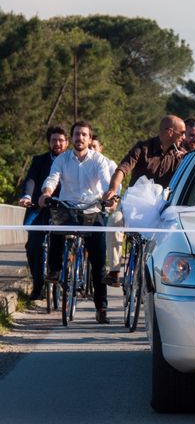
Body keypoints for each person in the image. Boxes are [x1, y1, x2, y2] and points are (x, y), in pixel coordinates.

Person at [38, 121, 113, 323]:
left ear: (89, 139)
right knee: (55, 228)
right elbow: (52, 179)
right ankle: (55, 270)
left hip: (92, 209)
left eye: (84, 135)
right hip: (68, 208)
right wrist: (46, 194)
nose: (80, 138)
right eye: (77, 134)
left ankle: (101, 307)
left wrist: (109, 197)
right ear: (71, 138)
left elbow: (106, 183)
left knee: (98, 261)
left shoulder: (99, 160)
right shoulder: (62, 159)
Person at [101, 115, 186, 285]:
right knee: (115, 220)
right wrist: (112, 189)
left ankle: (163, 275)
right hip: (134, 205)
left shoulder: (180, 157)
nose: (184, 137)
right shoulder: (143, 148)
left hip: (160, 208)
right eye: (182, 133)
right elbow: (122, 170)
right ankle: (115, 271)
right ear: (170, 132)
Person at [18, 125, 68, 301]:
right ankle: (38, 285)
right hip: (41, 207)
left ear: (67, 142)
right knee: (34, 245)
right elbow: (31, 179)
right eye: (54, 140)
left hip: (63, 209)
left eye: (61, 140)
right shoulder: (39, 161)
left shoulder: (71, 160)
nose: (57, 143)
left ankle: (67, 276)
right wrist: (27, 195)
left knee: (64, 240)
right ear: (49, 142)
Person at [90, 135, 123, 287]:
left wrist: (112, 202)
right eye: (89, 147)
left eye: (94, 147)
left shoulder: (109, 165)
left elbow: (116, 189)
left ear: (101, 148)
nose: (91, 150)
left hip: (103, 206)